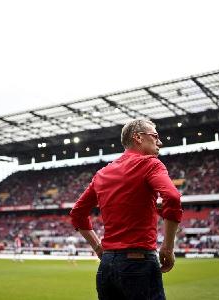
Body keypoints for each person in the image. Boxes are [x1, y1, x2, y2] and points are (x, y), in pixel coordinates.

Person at [69, 119, 183, 300]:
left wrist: (99, 247)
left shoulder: (102, 174)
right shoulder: (150, 164)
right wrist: (168, 248)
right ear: (138, 137)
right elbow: (173, 197)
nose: (159, 142)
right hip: (139, 263)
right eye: (155, 136)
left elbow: (77, 213)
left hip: (106, 267)